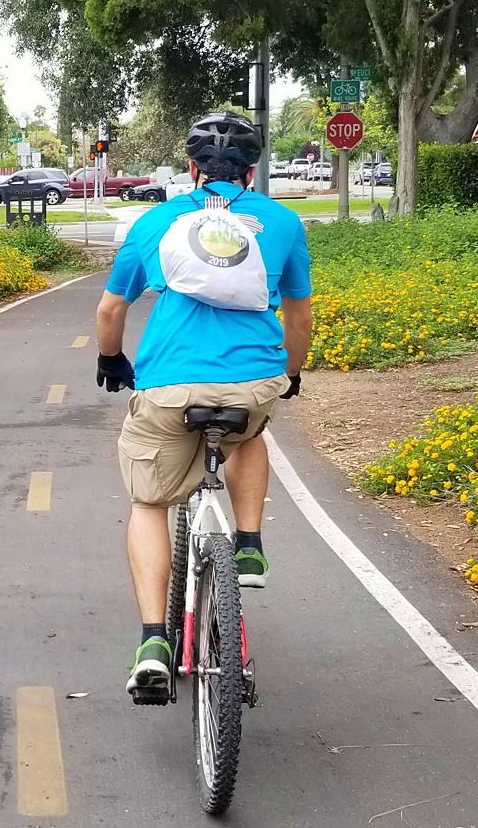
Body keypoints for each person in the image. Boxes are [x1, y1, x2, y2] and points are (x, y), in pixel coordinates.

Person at [93, 110, 313, 703]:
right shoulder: (284, 223)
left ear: (192, 169)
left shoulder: (157, 221)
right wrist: (288, 375)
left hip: (169, 385)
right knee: (250, 434)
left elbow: (112, 311)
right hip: (253, 381)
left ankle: (154, 643)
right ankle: (247, 546)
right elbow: (298, 316)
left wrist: (113, 361)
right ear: (252, 170)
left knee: (148, 501)